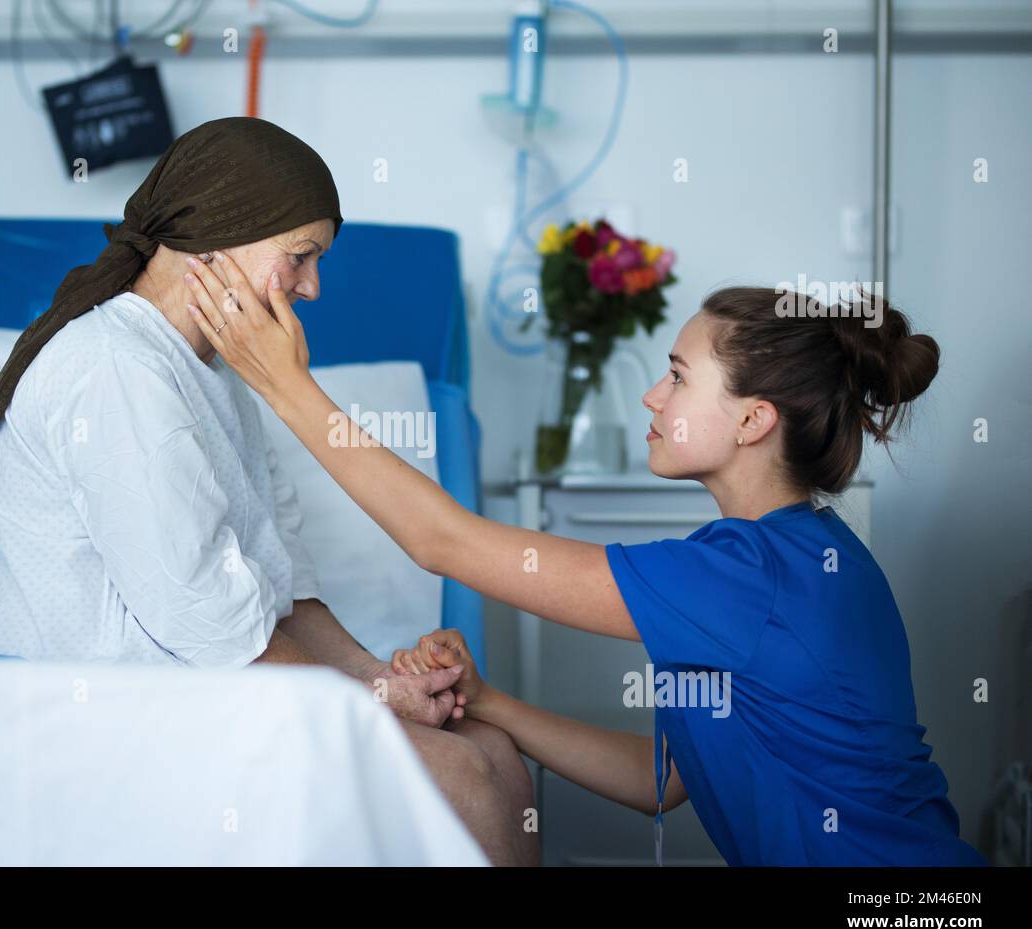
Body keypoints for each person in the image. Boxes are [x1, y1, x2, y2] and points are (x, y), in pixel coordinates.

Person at [185, 258, 988, 867]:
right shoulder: (798, 555)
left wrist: (285, 385)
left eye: (677, 377)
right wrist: (490, 702)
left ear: (751, 419)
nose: (652, 397)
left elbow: (443, 542)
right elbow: (661, 780)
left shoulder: (747, 574)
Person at [0, 116, 538, 866]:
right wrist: (372, 710)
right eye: (300, 257)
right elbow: (210, 625)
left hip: (196, 695)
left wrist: (379, 678)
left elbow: (283, 586)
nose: (313, 287)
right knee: (464, 779)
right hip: (100, 725)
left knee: (491, 749)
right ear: (217, 236)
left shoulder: (217, 376)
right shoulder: (115, 371)